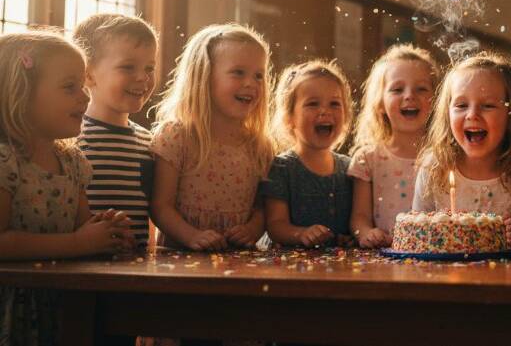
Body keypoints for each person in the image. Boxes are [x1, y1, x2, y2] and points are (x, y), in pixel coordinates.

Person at [0, 31, 132, 345]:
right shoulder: (6, 161)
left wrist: (106, 233)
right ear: (21, 93)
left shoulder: (73, 162)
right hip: (12, 311)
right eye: (69, 87)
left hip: (64, 305)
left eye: (83, 85)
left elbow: (81, 229)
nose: (85, 97)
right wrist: (77, 243)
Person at [413, 53, 511, 250]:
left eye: (488, 105)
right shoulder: (433, 166)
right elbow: (417, 228)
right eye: (461, 105)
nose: (472, 115)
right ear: (447, 113)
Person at [150, 24, 274, 250]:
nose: (251, 83)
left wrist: (252, 229)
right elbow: (161, 207)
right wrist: (192, 236)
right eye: (238, 72)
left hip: (238, 259)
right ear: (204, 76)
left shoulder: (259, 146)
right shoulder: (177, 136)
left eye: (259, 75)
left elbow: (261, 208)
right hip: (181, 258)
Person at [74, 13, 159, 248]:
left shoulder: (151, 142)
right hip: (83, 263)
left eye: (149, 68)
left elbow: (151, 212)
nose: (142, 77)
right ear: (88, 75)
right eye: (127, 67)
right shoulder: (71, 138)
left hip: (138, 263)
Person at [348, 45, 439, 248]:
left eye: (421, 89)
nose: (409, 95)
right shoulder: (367, 159)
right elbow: (359, 216)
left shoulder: (445, 156)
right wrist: (366, 233)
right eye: (397, 89)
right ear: (380, 103)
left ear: (436, 100)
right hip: (384, 256)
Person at [263, 60, 355, 247]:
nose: (325, 111)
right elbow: (275, 224)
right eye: (312, 104)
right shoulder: (281, 168)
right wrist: (301, 234)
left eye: (334, 104)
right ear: (289, 118)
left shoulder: (350, 168)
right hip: (289, 262)